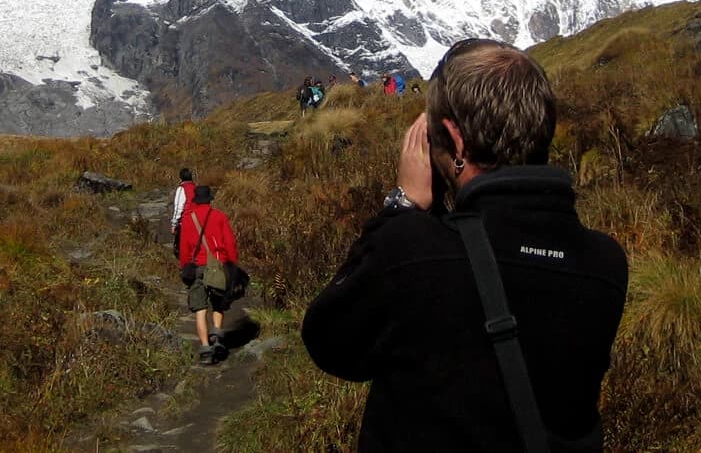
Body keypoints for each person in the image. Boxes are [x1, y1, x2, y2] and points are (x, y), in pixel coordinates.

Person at [301, 39, 628, 451]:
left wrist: (404, 206)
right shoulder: (605, 264)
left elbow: (330, 342)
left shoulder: (412, 249)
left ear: (455, 142)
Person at [179, 185, 238, 364]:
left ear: (196, 200)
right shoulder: (219, 217)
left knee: (200, 308)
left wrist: (185, 267)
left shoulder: (188, 219)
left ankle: (205, 347)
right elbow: (230, 243)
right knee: (218, 303)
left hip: (197, 267)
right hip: (217, 266)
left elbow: (183, 248)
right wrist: (232, 265)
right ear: (210, 199)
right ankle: (217, 334)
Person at [169, 168, 195, 254]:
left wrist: (174, 224)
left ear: (181, 178)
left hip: (185, 220)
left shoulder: (182, 189)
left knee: (180, 247)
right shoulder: (195, 187)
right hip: (196, 220)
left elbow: (178, 207)